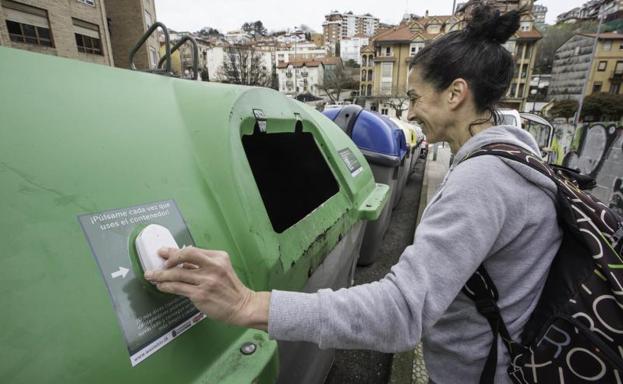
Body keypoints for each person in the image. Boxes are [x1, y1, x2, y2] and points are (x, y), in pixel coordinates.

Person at [144, 5, 562, 383]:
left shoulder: (484, 179)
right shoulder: (515, 154)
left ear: (456, 93)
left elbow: (400, 311)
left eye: (415, 97)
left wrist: (249, 304)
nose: (409, 112)